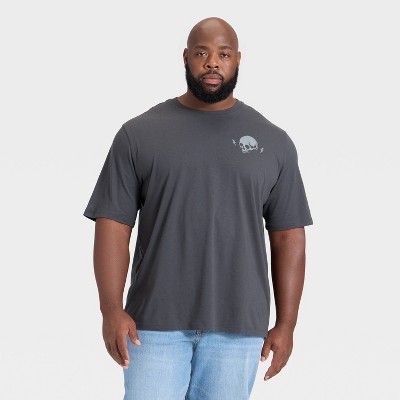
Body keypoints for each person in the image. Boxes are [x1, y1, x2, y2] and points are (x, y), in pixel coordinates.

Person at [83, 16, 313, 400]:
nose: (212, 63)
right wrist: (111, 310)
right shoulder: (138, 134)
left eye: (223, 54)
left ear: (237, 60)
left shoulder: (273, 141)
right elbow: (113, 225)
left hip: (238, 328)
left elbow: (289, 236)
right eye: (202, 53)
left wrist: (286, 324)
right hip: (152, 325)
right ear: (186, 58)